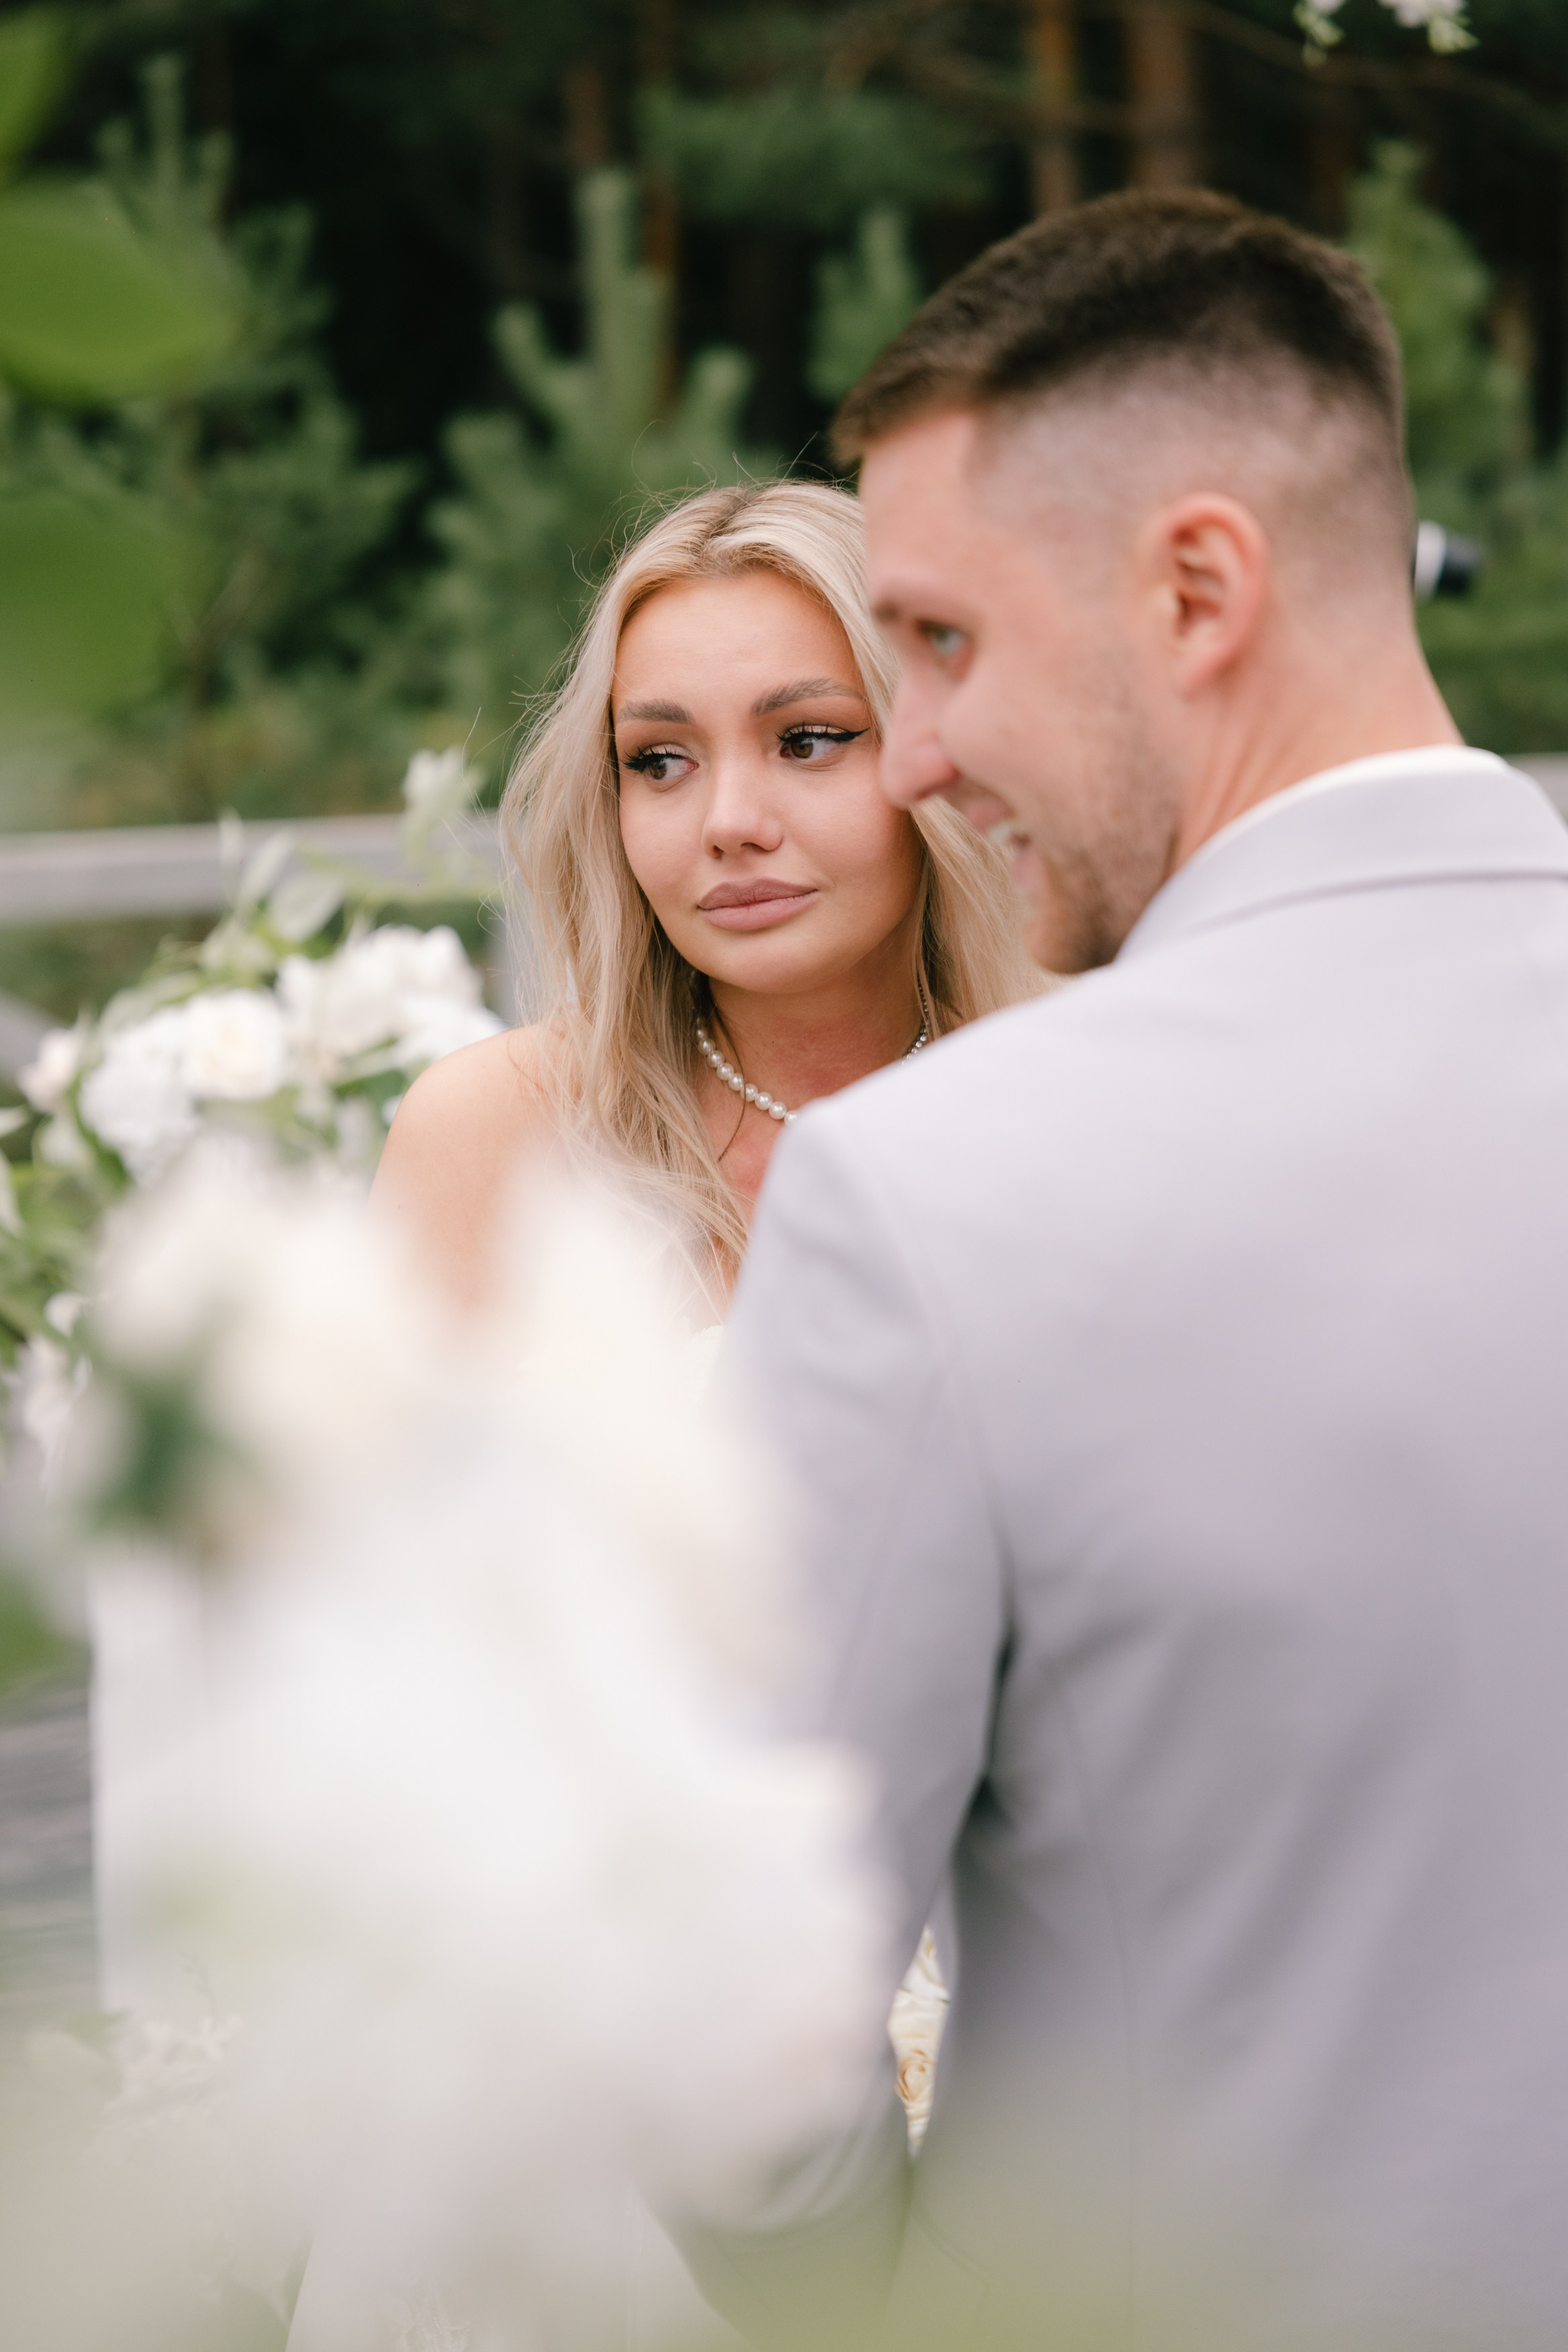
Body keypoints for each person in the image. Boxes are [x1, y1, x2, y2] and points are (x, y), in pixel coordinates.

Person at [703, 192, 1568, 2352]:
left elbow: (727, 2051)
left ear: (1195, 588)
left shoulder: (927, 1192)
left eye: (941, 641)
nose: (910, 754)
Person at [373, 479, 1039, 1312]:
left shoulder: (1074, 1117)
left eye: (807, 741)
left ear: (939, 756)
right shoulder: (494, 1130)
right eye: (661, 761)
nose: (729, 823)